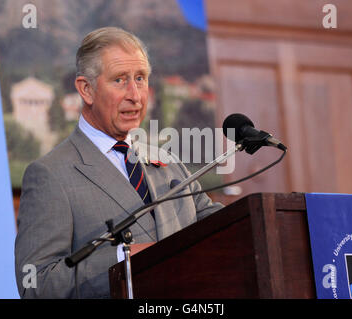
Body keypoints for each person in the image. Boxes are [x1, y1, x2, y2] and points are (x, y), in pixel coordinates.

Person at [14, 27, 223, 298]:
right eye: (120, 80)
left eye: (140, 79)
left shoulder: (169, 162)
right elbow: (37, 284)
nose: (135, 95)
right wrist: (120, 259)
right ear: (86, 89)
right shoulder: (50, 175)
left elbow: (220, 227)